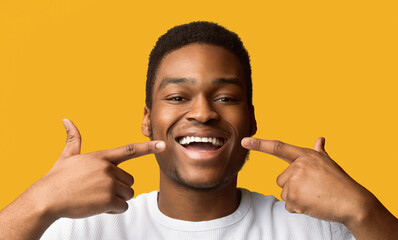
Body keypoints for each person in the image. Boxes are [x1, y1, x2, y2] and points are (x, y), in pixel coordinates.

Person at [0, 21, 397, 240]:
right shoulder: (78, 231)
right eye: (177, 97)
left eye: (225, 97)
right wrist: (38, 203)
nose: (203, 113)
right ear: (147, 119)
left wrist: (364, 209)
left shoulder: (318, 231)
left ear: (251, 120)